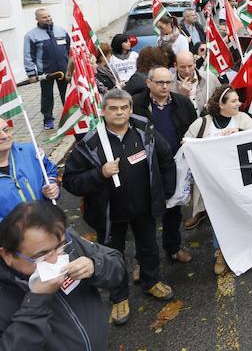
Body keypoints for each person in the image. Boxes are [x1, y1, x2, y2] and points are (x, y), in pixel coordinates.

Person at [62, 88, 176, 325]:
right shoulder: (90, 143)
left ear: (131, 109)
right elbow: (71, 181)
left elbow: (165, 157)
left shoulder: (145, 131)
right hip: (110, 215)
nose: (119, 113)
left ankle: (151, 281)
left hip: (144, 209)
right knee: (113, 257)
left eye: (124, 107)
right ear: (103, 111)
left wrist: (165, 191)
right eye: (113, 108)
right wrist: (99, 173)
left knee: (149, 247)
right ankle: (119, 297)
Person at [0, 201, 126, 350]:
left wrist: (94, 266)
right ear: (7, 255)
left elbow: (117, 264)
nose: (55, 260)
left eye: (59, 247)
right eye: (41, 255)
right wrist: (36, 300)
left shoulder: (63, 241)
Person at [183, 86, 252, 273]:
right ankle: (221, 252)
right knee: (219, 218)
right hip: (213, 184)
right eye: (234, 101)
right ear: (222, 105)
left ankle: (244, 248)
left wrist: (240, 133)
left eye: (238, 100)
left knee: (240, 215)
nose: (239, 103)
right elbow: (186, 143)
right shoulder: (202, 124)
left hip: (239, 180)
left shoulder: (243, 119)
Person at [0, 114, 59, 263]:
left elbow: (48, 169)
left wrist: (50, 184)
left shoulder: (30, 151)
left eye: (6, 129)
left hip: (48, 242)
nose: (4, 136)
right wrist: (3, 226)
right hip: (4, 258)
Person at [132, 67, 196, 269]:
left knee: (173, 212)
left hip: (174, 167)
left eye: (168, 82)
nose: (165, 86)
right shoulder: (135, 105)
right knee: (144, 218)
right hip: (144, 169)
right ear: (148, 83)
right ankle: (143, 263)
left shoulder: (182, 102)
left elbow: (194, 129)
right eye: (160, 82)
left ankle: (173, 248)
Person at [23, 8, 69, 129]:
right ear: (37, 19)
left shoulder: (61, 31)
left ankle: (69, 117)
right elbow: (28, 56)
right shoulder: (31, 35)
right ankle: (48, 119)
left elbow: (70, 50)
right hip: (46, 73)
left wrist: (71, 67)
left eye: (49, 16)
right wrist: (31, 74)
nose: (48, 19)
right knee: (47, 96)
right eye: (44, 17)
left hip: (64, 71)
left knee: (67, 94)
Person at [172, 50, 219, 115]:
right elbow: (171, 112)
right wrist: (181, 96)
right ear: (175, 66)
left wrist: (212, 107)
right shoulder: (169, 83)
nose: (187, 71)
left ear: (195, 63)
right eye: (182, 67)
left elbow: (222, 100)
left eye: (190, 66)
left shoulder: (210, 78)